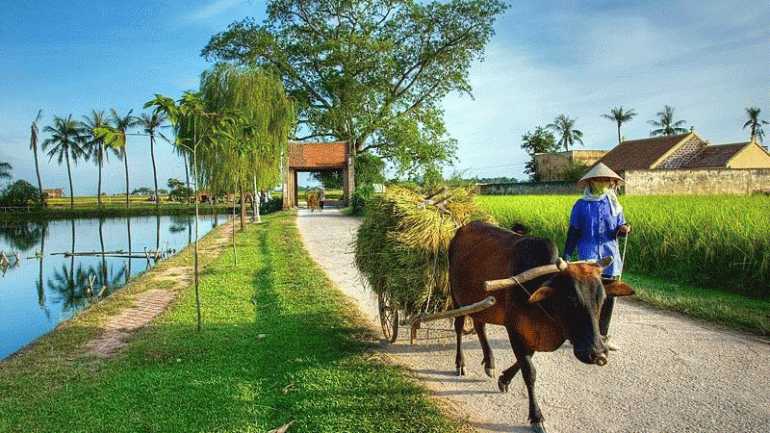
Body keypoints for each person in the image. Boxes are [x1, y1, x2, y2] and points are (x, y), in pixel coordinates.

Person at [563, 163, 631, 351]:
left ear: (611, 183)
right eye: (599, 180)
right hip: (589, 255)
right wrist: (567, 255)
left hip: (610, 256)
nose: (604, 183)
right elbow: (574, 231)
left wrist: (624, 229)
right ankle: (586, 333)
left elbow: (620, 226)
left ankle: (603, 335)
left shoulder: (614, 204)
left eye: (606, 180)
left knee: (609, 297)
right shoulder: (581, 206)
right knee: (590, 298)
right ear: (591, 182)